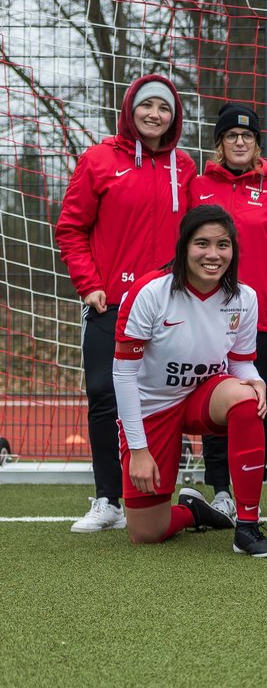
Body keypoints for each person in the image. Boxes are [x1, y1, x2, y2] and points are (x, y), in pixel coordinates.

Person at [55, 73, 197, 533]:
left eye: (164, 109)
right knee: (104, 393)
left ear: (173, 118)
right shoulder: (98, 160)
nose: (155, 115)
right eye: (147, 106)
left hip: (170, 304)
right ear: (131, 109)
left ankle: (159, 493)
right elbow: (71, 228)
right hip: (110, 302)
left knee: (165, 395)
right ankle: (107, 498)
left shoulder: (185, 167)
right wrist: (88, 283)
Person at [112, 204, 267, 557]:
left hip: (204, 395)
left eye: (223, 245)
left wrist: (256, 381)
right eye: (202, 243)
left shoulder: (244, 298)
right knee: (147, 532)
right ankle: (196, 512)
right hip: (152, 407)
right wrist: (139, 450)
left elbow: (241, 363)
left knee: (247, 399)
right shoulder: (150, 292)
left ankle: (247, 526)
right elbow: (124, 374)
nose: (213, 254)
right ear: (185, 246)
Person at [191, 103, 267, 518]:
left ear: (258, 144)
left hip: (259, 318)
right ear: (219, 143)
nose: (240, 142)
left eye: (248, 136)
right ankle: (219, 487)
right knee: (211, 393)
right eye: (231, 136)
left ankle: (248, 488)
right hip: (203, 314)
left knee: (256, 399)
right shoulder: (198, 186)